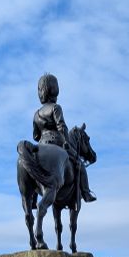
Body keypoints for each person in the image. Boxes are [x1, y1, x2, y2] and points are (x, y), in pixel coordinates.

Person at [33, 74, 96, 202]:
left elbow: (35, 135)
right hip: (57, 143)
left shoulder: (36, 113)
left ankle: (33, 198)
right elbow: (61, 126)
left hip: (41, 144)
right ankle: (86, 193)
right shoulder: (56, 108)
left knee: (33, 167)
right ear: (55, 90)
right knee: (79, 164)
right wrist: (66, 141)